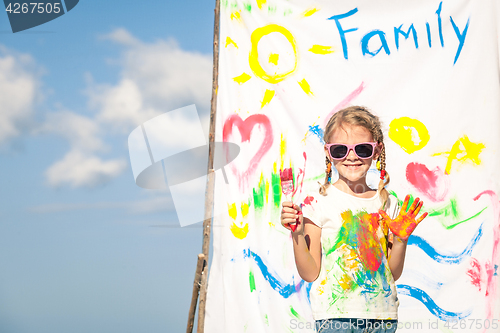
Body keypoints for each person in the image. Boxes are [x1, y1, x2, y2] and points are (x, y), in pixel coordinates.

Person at [281, 106, 428, 333]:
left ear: (377, 151)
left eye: (362, 148)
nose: (351, 156)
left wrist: (400, 241)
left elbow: (393, 273)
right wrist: (297, 234)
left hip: (383, 319)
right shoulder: (317, 203)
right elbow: (310, 273)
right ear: (328, 152)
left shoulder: (388, 203)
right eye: (340, 149)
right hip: (335, 320)